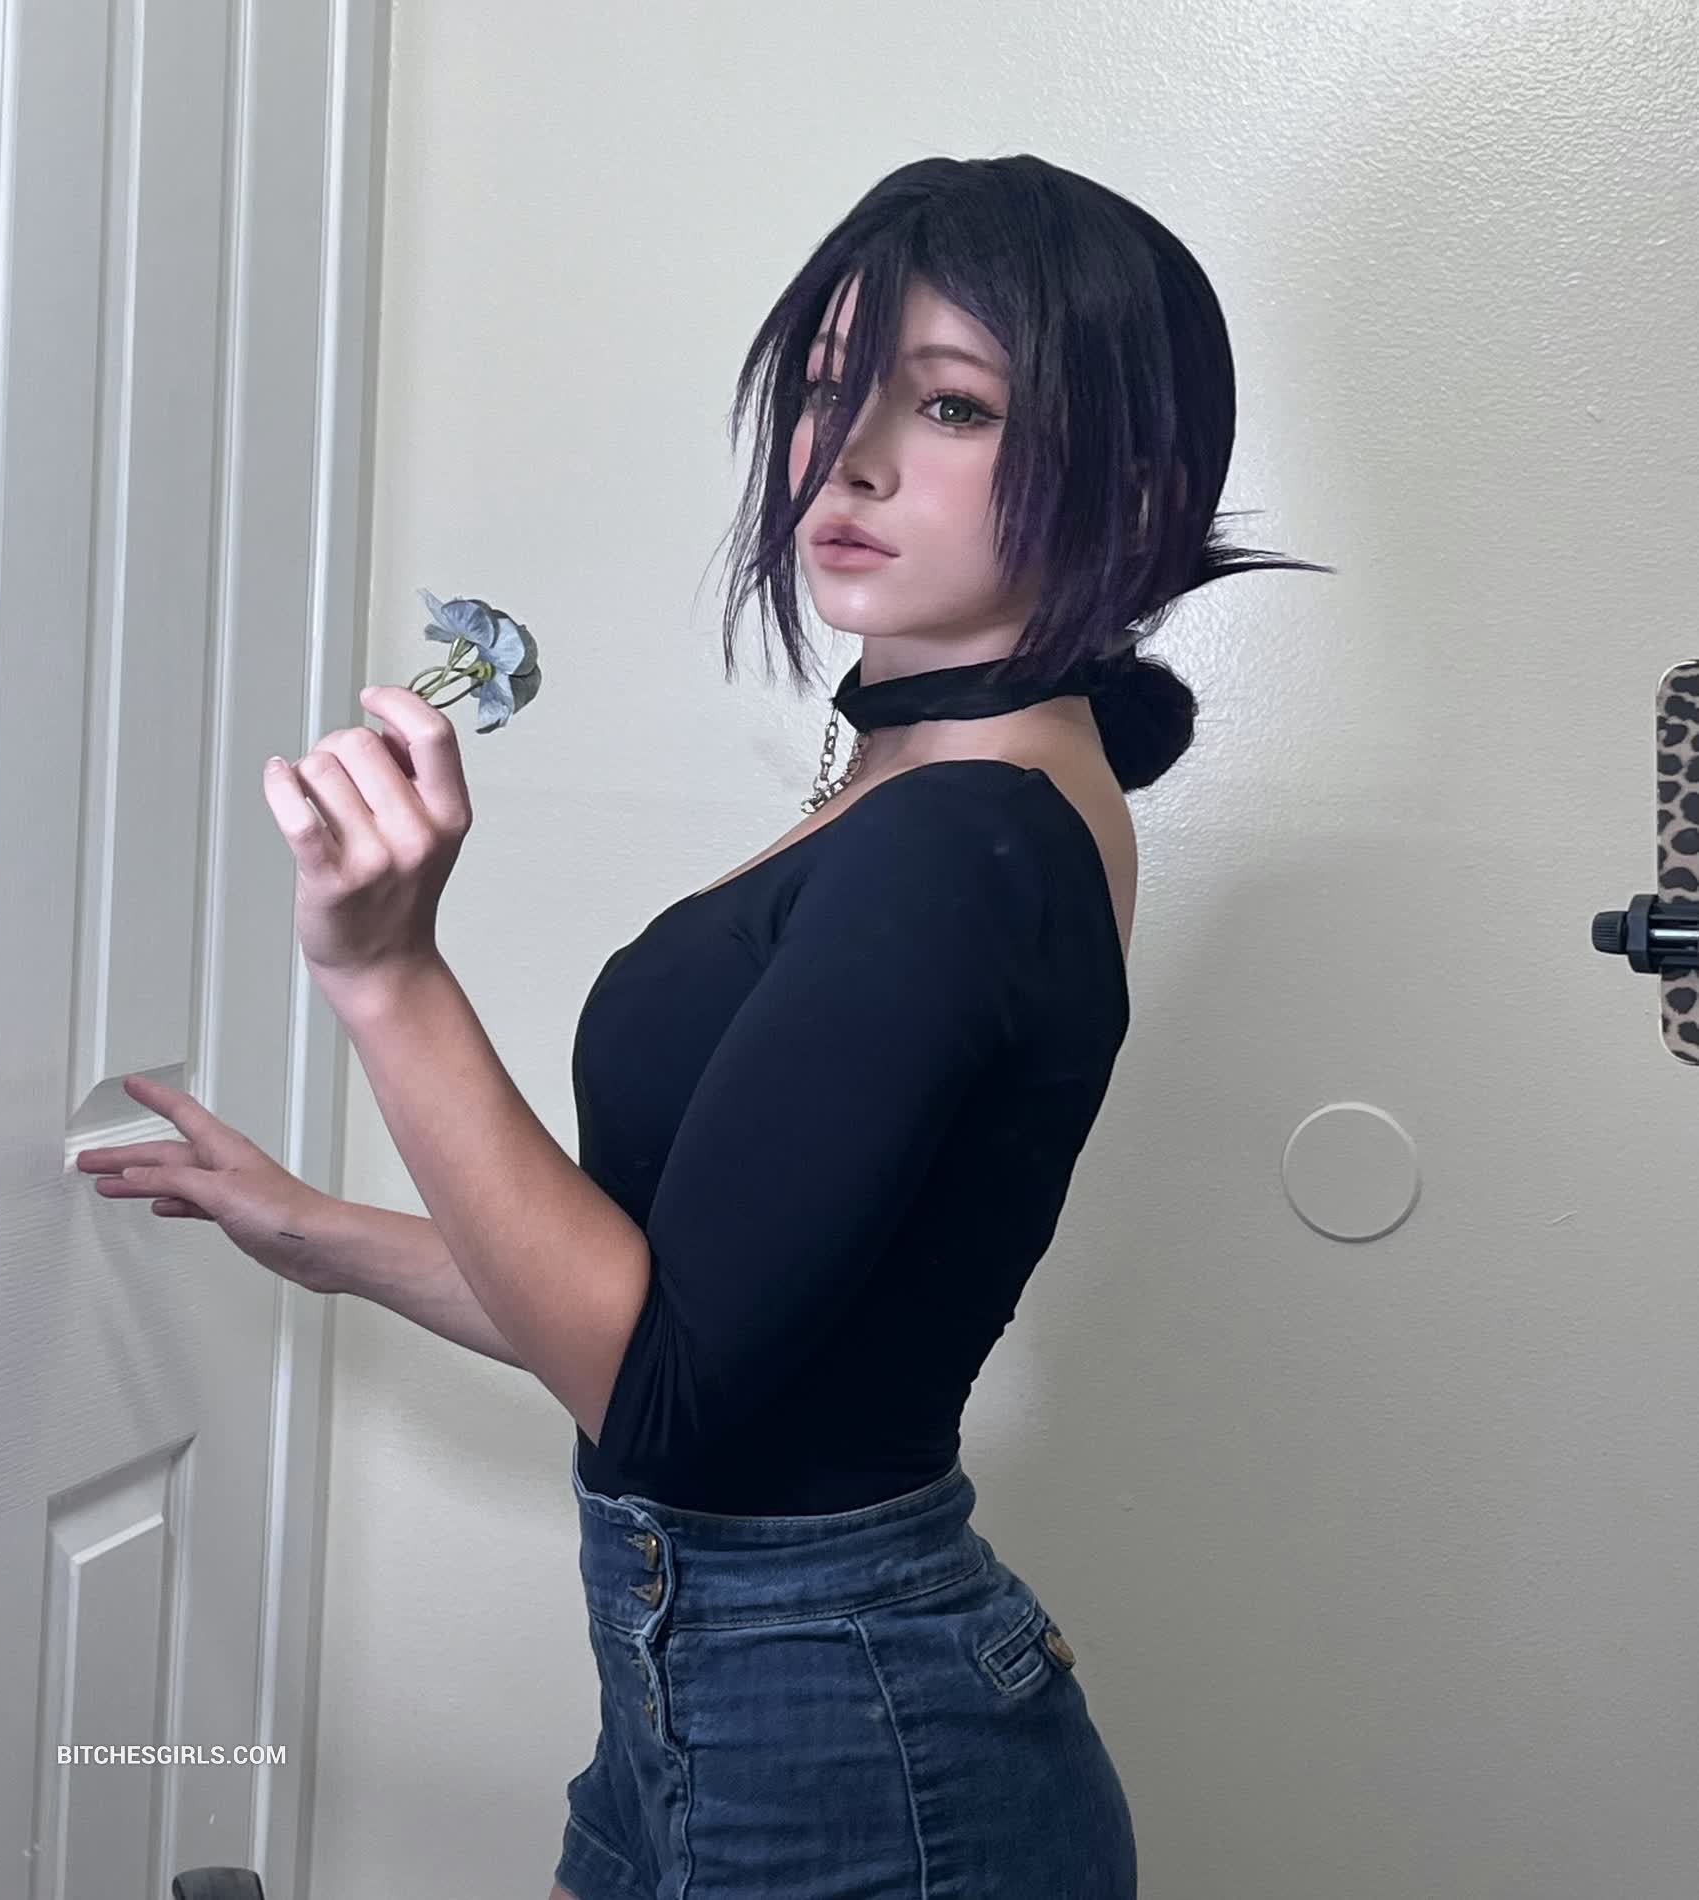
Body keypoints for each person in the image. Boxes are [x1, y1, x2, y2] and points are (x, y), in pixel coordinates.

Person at [550, 153, 1331, 1900]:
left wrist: (386, 974)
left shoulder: (967, 832)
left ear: (1129, 483)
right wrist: (315, 1233)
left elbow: (660, 1393)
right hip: (716, 1690)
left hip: (846, 1740)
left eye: (954, 406)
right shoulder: (915, 789)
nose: (850, 457)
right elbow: (652, 1301)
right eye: (830, 389)